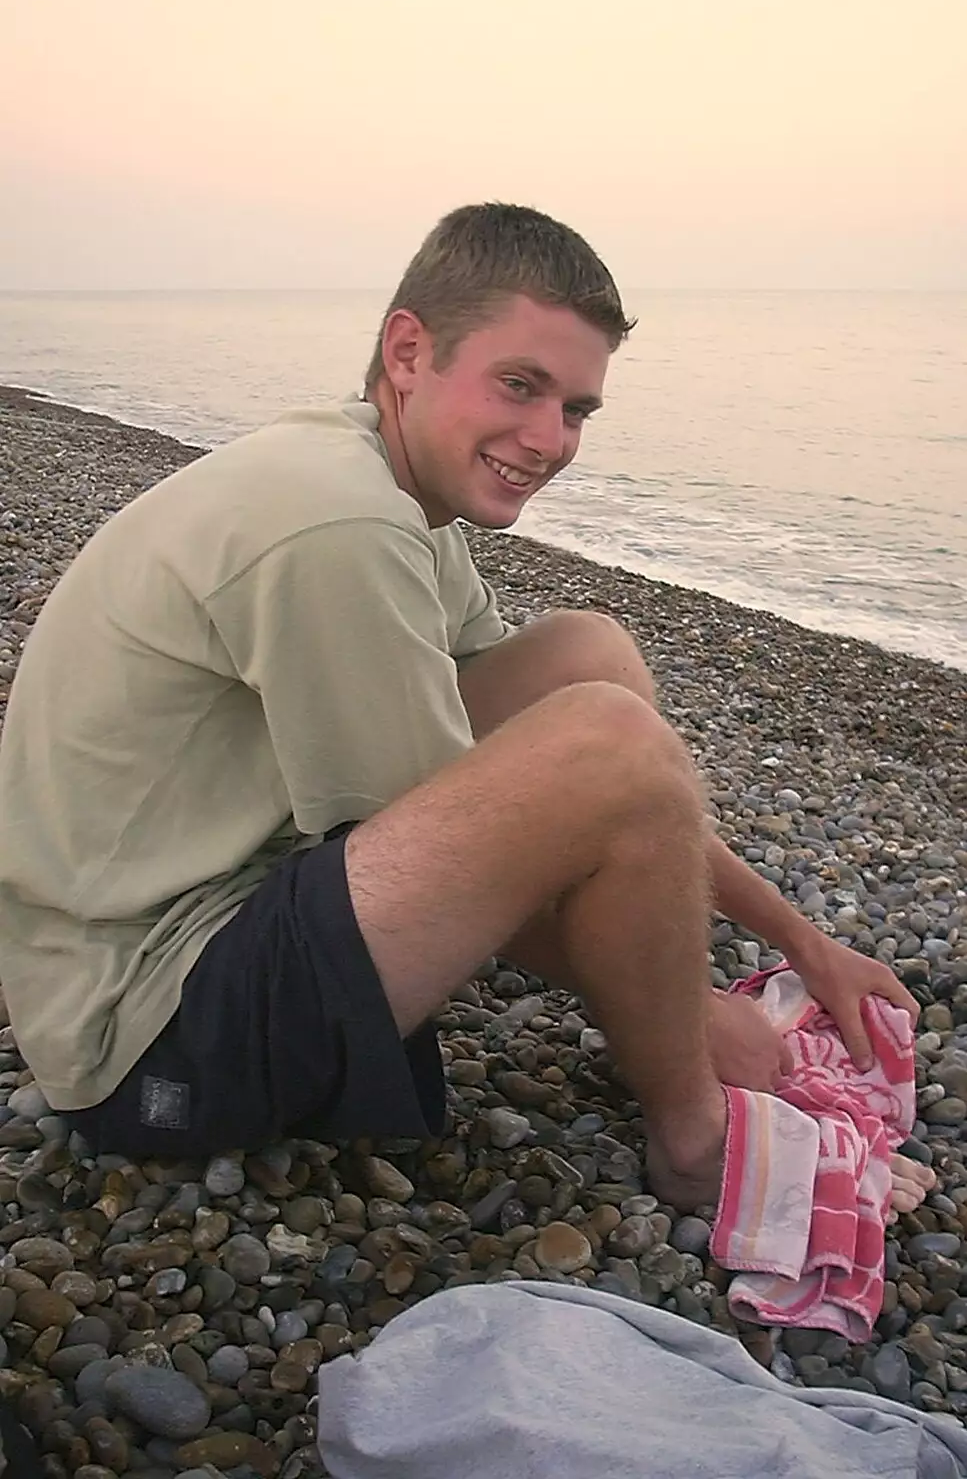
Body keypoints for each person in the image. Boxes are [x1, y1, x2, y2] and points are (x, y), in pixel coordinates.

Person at [0, 204, 931, 1213]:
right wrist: (687, 1016)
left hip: (216, 895)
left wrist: (805, 941)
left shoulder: (386, 487)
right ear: (409, 350)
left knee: (589, 660)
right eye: (519, 386)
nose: (546, 439)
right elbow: (501, 826)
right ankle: (696, 1139)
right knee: (607, 738)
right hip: (147, 1030)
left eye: (574, 408)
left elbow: (567, 786)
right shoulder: (337, 522)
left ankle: (663, 1006)